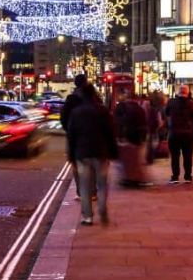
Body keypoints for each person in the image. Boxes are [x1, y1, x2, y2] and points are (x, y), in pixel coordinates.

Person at [66, 84, 118, 226]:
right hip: (101, 152)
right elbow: (110, 133)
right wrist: (113, 151)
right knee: (101, 184)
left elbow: (71, 136)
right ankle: (102, 208)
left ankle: (87, 216)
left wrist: (71, 155)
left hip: (82, 154)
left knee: (84, 186)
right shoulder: (102, 111)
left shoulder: (76, 112)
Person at [60, 74, 90, 198]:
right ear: (85, 83)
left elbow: (63, 118)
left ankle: (81, 191)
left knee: (77, 165)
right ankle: (91, 191)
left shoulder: (70, 99)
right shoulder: (91, 98)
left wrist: (69, 130)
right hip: (89, 135)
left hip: (74, 136)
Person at [114, 92, 149, 187]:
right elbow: (144, 123)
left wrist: (119, 135)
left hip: (126, 135)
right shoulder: (140, 109)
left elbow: (118, 121)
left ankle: (128, 178)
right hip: (137, 137)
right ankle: (135, 178)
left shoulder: (123, 107)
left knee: (126, 159)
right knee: (136, 159)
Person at [164, 85, 193, 183]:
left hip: (174, 133)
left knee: (175, 157)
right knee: (187, 156)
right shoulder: (191, 103)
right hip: (187, 134)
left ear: (179, 92)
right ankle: (188, 176)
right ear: (187, 92)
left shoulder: (171, 102)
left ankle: (175, 176)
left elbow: (166, 113)